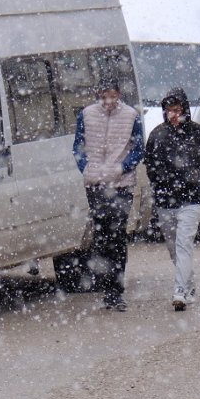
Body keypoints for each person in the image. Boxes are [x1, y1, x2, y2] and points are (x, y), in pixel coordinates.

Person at [144, 87, 200, 312]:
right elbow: (150, 166)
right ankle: (189, 283)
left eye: (177, 110)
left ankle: (179, 290)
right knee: (173, 248)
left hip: (191, 200)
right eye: (169, 111)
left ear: (185, 109)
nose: (173, 115)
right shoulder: (157, 135)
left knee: (184, 244)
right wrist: (160, 185)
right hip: (165, 201)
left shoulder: (198, 133)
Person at [73, 79, 144, 311]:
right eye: (104, 97)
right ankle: (106, 286)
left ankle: (116, 289)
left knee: (116, 235)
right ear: (98, 96)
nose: (108, 102)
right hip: (94, 184)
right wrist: (85, 167)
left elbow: (138, 148)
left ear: (119, 95)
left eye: (113, 96)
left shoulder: (131, 116)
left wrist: (122, 168)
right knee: (101, 234)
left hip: (121, 184)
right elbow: (78, 146)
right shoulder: (86, 115)